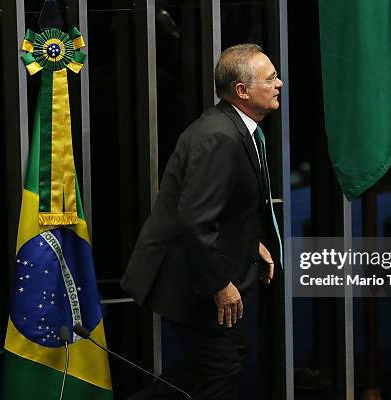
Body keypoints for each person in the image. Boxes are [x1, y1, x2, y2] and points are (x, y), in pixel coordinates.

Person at [121, 43, 283, 400]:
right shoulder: (218, 138)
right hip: (191, 280)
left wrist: (251, 243)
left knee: (221, 359)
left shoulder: (237, 129)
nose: (280, 84)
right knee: (220, 369)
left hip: (206, 268)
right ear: (242, 91)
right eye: (270, 78)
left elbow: (220, 208)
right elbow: (195, 219)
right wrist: (220, 284)